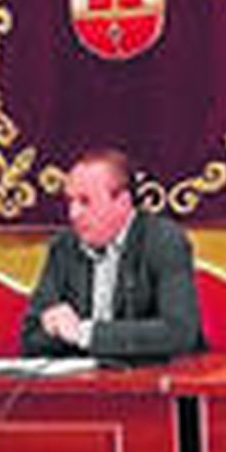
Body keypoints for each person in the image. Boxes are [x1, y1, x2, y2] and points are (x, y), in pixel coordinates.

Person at [22, 148, 203, 361]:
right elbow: (31, 337)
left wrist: (86, 334)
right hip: (83, 378)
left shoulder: (164, 241)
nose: (73, 214)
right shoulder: (63, 247)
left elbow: (179, 332)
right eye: (70, 201)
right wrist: (53, 327)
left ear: (122, 203)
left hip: (152, 377)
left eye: (85, 201)